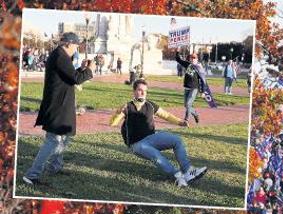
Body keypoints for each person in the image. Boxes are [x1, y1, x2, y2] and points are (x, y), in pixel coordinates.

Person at [23, 32, 94, 186]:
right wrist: (89, 70)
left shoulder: (60, 55)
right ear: (68, 43)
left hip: (61, 103)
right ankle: (32, 175)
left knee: (64, 135)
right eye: (76, 45)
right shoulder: (60, 56)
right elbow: (76, 79)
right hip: (57, 104)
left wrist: (82, 69)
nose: (77, 48)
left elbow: (70, 76)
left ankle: (55, 166)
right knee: (53, 140)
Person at [109, 79, 207, 187]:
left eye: (145, 91)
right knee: (156, 156)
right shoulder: (127, 107)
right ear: (134, 91)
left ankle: (188, 171)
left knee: (177, 141)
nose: (142, 93)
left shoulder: (151, 105)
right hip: (137, 144)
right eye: (140, 90)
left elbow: (166, 115)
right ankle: (177, 177)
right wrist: (118, 112)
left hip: (152, 138)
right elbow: (113, 123)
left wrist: (180, 122)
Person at [174, 50, 207, 124]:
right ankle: (195, 114)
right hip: (186, 87)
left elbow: (203, 80)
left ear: (197, 59)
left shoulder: (199, 68)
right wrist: (177, 52)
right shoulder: (188, 64)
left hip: (194, 88)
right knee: (186, 105)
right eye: (191, 58)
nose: (192, 59)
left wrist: (203, 92)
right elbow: (178, 59)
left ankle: (186, 120)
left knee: (188, 104)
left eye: (194, 58)